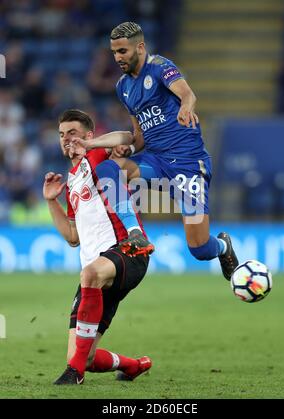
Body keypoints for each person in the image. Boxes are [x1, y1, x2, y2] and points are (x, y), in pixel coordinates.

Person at [74, 21, 239, 280]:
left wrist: (186, 106)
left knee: (199, 248)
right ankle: (134, 233)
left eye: (123, 51)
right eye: (114, 52)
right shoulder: (123, 87)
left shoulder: (161, 67)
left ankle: (223, 246)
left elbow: (187, 94)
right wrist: (107, 145)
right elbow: (138, 136)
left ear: (140, 47)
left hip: (187, 164)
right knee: (108, 167)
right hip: (157, 162)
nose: (117, 58)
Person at [43, 109, 152, 385]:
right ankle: (134, 366)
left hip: (126, 252)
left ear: (89, 136)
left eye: (72, 133)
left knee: (89, 274)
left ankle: (73, 376)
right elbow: (72, 236)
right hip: (96, 273)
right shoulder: (72, 181)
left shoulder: (98, 156)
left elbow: (126, 136)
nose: (66, 139)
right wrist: (51, 201)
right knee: (83, 356)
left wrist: (92, 145)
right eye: (61, 135)